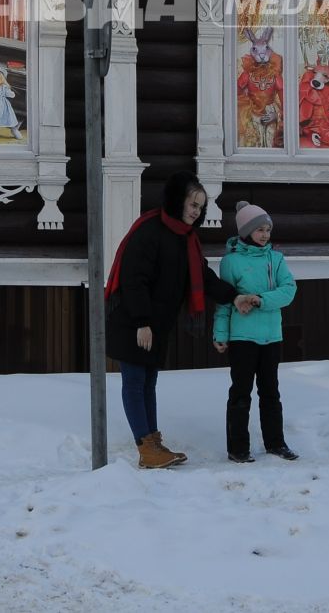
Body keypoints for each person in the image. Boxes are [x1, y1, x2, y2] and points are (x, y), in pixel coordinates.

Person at [106, 172, 260, 469]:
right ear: (178, 200)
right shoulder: (150, 231)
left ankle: (151, 443)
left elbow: (202, 277)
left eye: (200, 207)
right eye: (192, 203)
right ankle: (146, 447)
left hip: (156, 324)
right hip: (134, 322)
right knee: (135, 382)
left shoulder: (185, 239)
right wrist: (141, 322)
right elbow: (133, 278)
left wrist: (234, 296)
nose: (195, 211)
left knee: (148, 383)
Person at [213, 201, 299, 463]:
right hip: (242, 339)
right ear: (246, 232)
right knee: (240, 392)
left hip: (271, 336)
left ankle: (275, 442)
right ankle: (238, 448)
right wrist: (221, 333)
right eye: (259, 229)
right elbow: (224, 300)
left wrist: (261, 299)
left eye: (267, 230)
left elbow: (289, 290)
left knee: (270, 392)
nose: (265, 235)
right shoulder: (231, 262)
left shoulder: (277, 259)